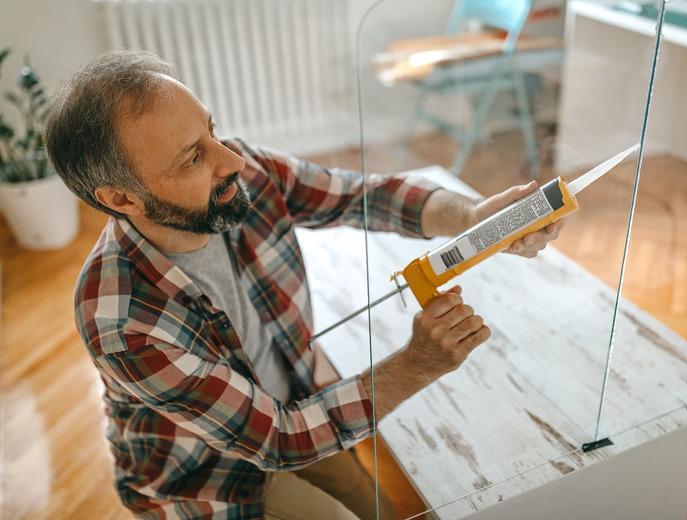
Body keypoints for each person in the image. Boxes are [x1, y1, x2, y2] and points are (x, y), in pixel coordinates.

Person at [44, 50, 562, 519]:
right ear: (121, 200)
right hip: (205, 475)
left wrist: (473, 213)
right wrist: (416, 364)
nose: (234, 162)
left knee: (375, 507)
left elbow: (362, 196)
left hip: (292, 398)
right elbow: (280, 439)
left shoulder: (235, 172)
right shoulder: (119, 320)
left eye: (212, 130)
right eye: (192, 158)